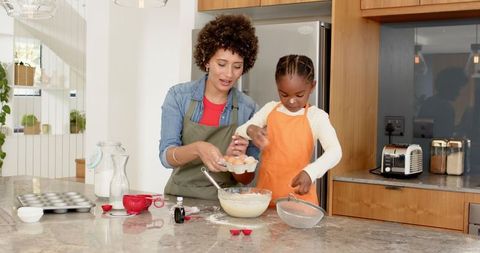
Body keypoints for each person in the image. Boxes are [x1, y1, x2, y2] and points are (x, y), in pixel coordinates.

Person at [159, 14, 259, 200]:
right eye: (221, 64)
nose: (229, 74)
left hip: (226, 202)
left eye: (237, 66)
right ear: (206, 61)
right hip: (180, 199)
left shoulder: (248, 108)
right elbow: (166, 157)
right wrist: (198, 148)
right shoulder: (179, 97)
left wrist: (235, 161)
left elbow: (246, 179)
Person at [235, 54, 342, 206]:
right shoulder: (270, 109)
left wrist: (311, 172)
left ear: (312, 86)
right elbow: (241, 130)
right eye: (284, 94)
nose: (291, 101)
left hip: (300, 203)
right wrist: (251, 129)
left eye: (299, 95)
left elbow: (335, 151)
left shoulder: (316, 117)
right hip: (265, 200)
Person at [417, 67, 468, 137]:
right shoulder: (445, 107)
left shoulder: (429, 102)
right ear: (450, 87)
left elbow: (423, 133)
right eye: (458, 87)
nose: (459, 93)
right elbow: (444, 137)